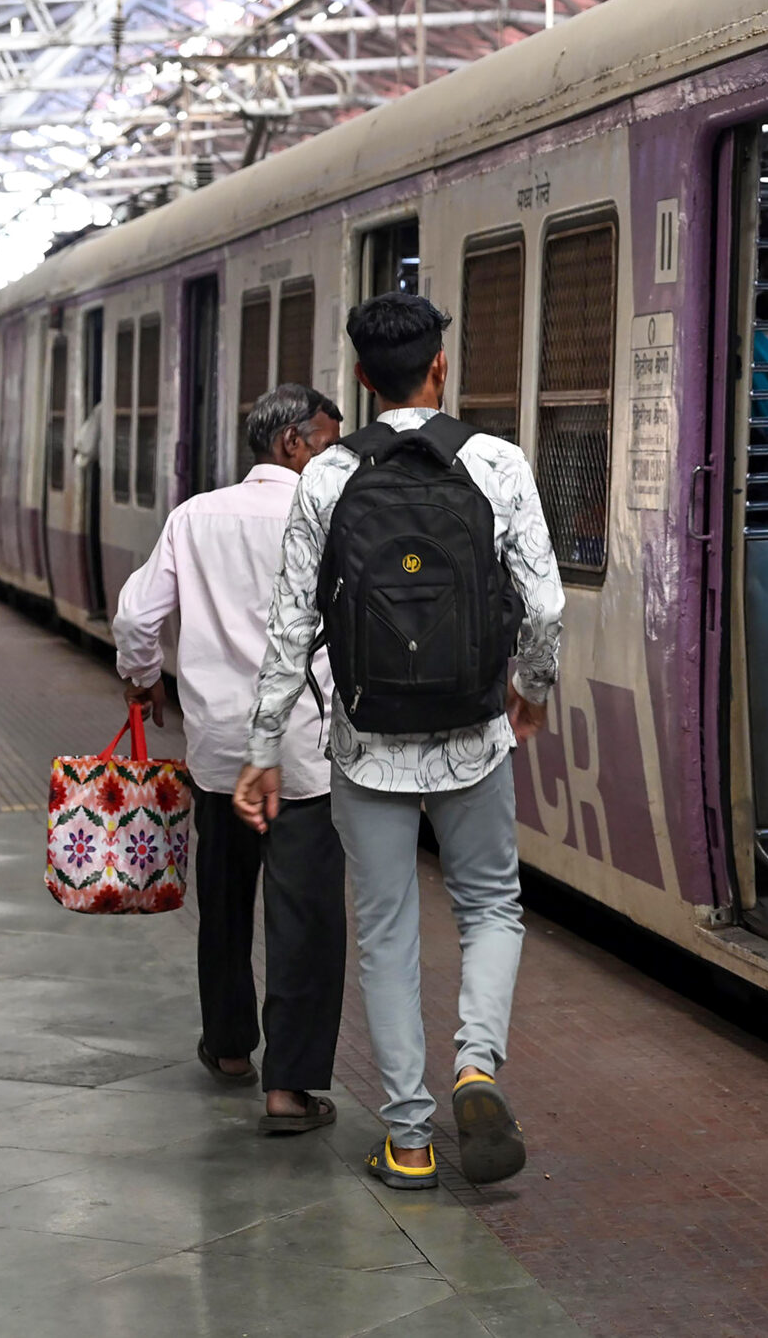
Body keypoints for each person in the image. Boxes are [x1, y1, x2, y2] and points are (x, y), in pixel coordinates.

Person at [248, 292, 563, 1190]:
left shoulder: (326, 475)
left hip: (367, 738)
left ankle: (411, 1140)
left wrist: (264, 747)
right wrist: (529, 691)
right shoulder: (496, 462)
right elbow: (544, 605)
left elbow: (290, 627)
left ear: (360, 376)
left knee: (386, 932)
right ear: (440, 366)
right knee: (490, 906)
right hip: (472, 730)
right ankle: (476, 1065)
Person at [113, 384, 348, 1135]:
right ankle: (291, 1088)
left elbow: (136, 615)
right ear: (291, 443)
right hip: (305, 753)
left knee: (223, 901)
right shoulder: (331, 515)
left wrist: (143, 678)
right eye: (329, 441)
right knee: (305, 917)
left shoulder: (195, 516)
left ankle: (229, 1047)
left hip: (218, 751)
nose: (339, 456)